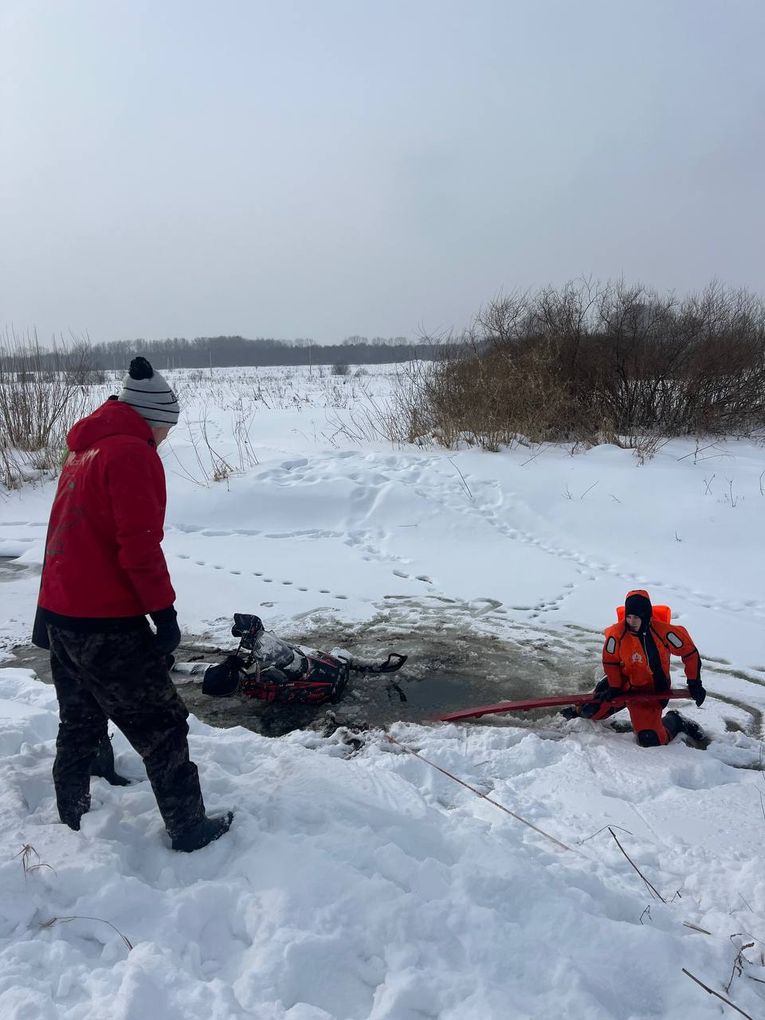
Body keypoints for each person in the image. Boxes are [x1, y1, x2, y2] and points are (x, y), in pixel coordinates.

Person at [32, 356, 232, 851]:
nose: (166, 437)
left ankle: (72, 814)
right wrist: (163, 615)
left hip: (65, 616)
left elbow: (62, 536)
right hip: (106, 623)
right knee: (162, 725)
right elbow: (139, 545)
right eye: (166, 428)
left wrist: (45, 613)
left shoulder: (84, 452)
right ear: (153, 418)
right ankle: (188, 829)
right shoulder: (131, 454)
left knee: (79, 718)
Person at [563, 589, 706, 746]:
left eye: (637, 617)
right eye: (629, 616)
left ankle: (676, 720)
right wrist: (615, 686)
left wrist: (694, 683)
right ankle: (577, 710)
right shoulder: (617, 634)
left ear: (646, 616)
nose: (632, 621)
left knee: (650, 739)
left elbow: (690, 653)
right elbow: (610, 661)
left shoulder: (664, 632)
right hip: (622, 683)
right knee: (589, 710)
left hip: (650, 691)